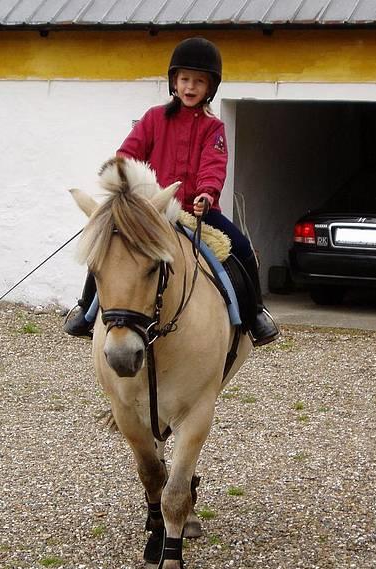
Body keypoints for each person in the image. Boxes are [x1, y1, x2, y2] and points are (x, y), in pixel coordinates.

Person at [65, 37, 279, 346]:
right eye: (184, 79)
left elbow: (214, 165)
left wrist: (206, 194)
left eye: (199, 81)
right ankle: (87, 309)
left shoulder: (213, 128)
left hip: (195, 212)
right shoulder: (153, 118)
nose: (190, 87)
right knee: (108, 248)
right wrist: (120, 178)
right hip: (152, 211)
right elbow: (128, 152)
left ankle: (254, 313)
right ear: (174, 82)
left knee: (242, 248)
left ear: (210, 87)